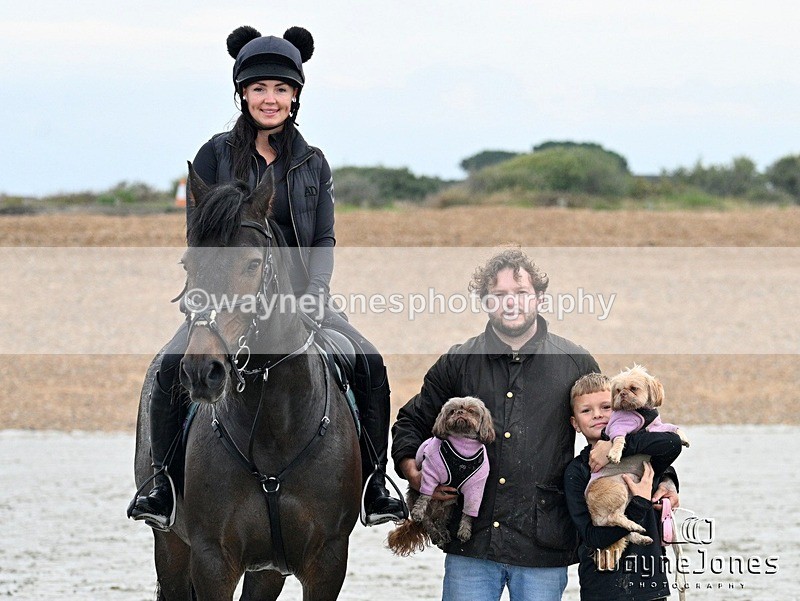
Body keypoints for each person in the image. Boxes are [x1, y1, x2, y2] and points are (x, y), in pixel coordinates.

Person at [129, 24, 404, 529]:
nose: (270, 98)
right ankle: (161, 486)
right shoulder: (214, 155)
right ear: (241, 93)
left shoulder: (312, 164)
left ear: (296, 95)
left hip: (299, 298)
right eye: (259, 88)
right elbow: (201, 239)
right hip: (223, 296)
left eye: (281, 88)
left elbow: (322, 239)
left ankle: (374, 483)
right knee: (169, 367)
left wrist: (317, 294)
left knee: (369, 361)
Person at [391, 248, 599, 601]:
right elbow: (411, 422)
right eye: (499, 295)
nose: (511, 304)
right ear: (485, 301)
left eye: (521, 294)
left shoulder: (575, 362)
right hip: (469, 541)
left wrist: (662, 479)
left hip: (544, 543)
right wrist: (414, 474)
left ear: (540, 298)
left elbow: (617, 427)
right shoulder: (457, 362)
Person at [564, 373, 682, 601]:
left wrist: (617, 448)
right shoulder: (576, 472)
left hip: (650, 584)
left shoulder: (646, 456)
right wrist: (638, 504)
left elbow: (673, 442)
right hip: (602, 589)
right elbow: (592, 537)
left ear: (620, 408)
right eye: (586, 411)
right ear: (575, 423)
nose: (597, 414)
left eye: (606, 406)